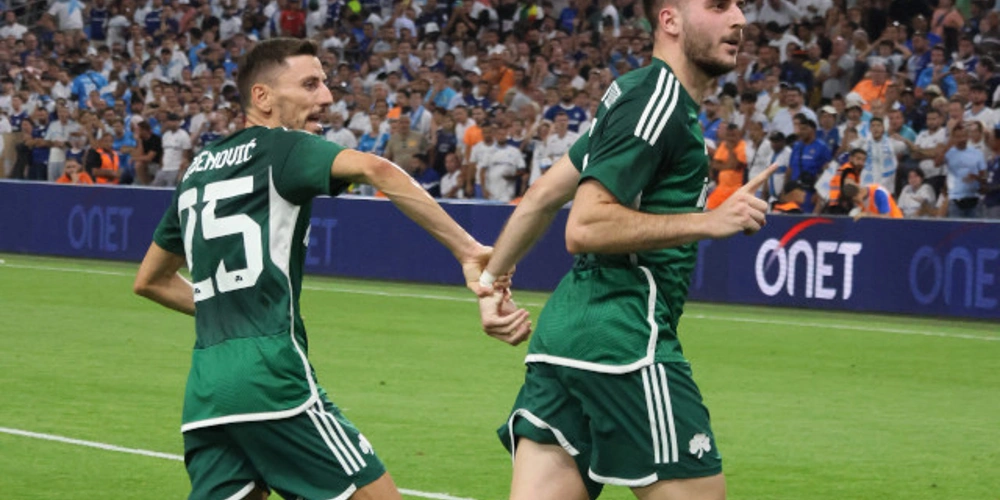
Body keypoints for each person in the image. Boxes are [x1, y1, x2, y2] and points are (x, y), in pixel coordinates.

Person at [132, 38, 499, 500]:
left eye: (325, 83)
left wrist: (234, 307)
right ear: (263, 97)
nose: (326, 96)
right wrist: (467, 250)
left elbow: (150, 280)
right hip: (270, 378)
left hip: (207, 390)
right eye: (310, 84)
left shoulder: (198, 170)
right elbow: (378, 170)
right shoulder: (284, 148)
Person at [471, 2, 776, 499]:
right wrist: (709, 221)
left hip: (562, 342)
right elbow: (585, 225)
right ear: (669, 20)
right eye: (719, 5)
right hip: (626, 340)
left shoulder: (637, 96)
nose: (739, 18)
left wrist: (491, 284)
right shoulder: (657, 101)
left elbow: (544, 194)